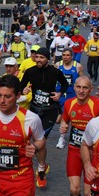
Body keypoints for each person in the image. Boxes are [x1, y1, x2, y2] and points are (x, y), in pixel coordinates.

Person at [58, 76, 99, 196]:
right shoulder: (69, 103)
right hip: (74, 150)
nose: (81, 90)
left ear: (90, 89)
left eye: (85, 88)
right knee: (74, 190)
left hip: (93, 154)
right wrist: (63, 127)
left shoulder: (98, 103)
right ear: (74, 87)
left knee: (88, 193)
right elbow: (65, 120)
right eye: (78, 87)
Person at [19, 47, 68, 188]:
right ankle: (43, 165)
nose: (38, 60)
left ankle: (40, 170)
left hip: (50, 111)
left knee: (41, 140)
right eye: (37, 57)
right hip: (34, 110)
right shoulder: (30, 72)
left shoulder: (55, 72)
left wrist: (59, 94)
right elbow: (21, 87)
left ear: (48, 59)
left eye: (41, 58)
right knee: (36, 140)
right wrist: (24, 89)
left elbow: (65, 84)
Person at [55, 48, 84, 149]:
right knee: (58, 120)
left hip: (72, 96)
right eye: (64, 55)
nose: (65, 57)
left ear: (71, 56)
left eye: (67, 55)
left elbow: (82, 80)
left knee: (67, 118)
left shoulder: (78, 66)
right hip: (60, 95)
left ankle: (62, 138)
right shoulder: (58, 65)